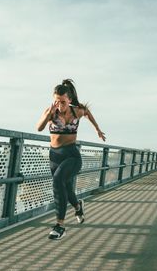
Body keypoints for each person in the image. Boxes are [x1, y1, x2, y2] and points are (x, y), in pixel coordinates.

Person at [36, 79, 106, 240]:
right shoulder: (50, 111)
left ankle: (60, 225)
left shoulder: (77, 111)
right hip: (54, 156)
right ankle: (78, 206)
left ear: (69, 99)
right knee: (66, 189)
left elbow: (87, 112)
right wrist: (47, 115)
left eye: (62, 101)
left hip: (72, 155)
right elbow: (39, 128)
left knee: (57, 181)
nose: (59, 104)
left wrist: (97, 129)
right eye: (56, 101)